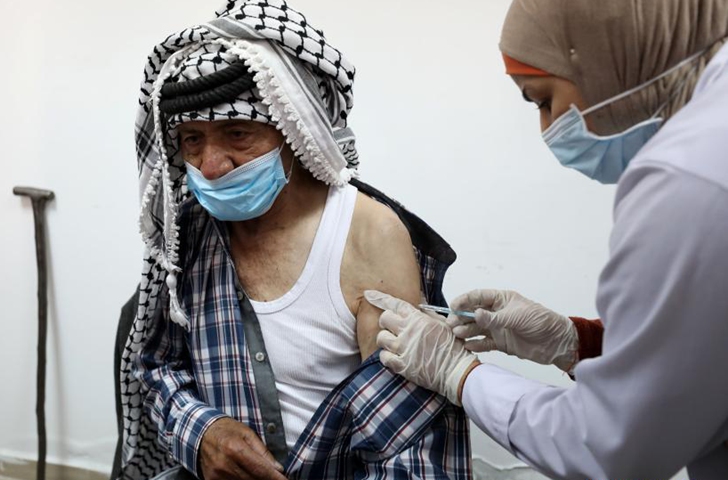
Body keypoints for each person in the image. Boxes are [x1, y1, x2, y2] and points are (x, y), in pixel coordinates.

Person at [367, 0, 728, 478]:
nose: (547, 129)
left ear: (604, 58)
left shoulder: (687, 179)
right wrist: (576, 340)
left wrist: (461, 375)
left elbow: (609, 447)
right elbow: (700, 352)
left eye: (542, 99)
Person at [114, 1, 473, 479]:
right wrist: (201, 432)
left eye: (237, 133)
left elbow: (405, 444)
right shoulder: (188, 231)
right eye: (192, 140)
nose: (211, 165)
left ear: (296, 133)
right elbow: (157, 366)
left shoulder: (366, 235)